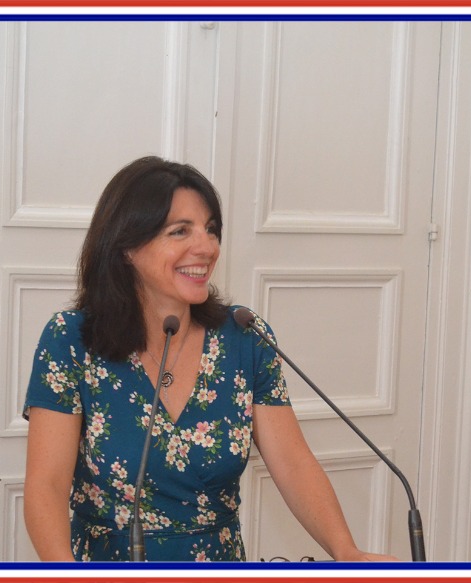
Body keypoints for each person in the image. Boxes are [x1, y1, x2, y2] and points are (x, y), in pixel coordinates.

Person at [23, 156, 393, 562]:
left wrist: (346, 550)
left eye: (211, 229)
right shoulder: (72, 340)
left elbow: (293, 463)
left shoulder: (245, 337)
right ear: (127, 246)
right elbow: (46, 485)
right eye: (180, 231)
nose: (207, 247)